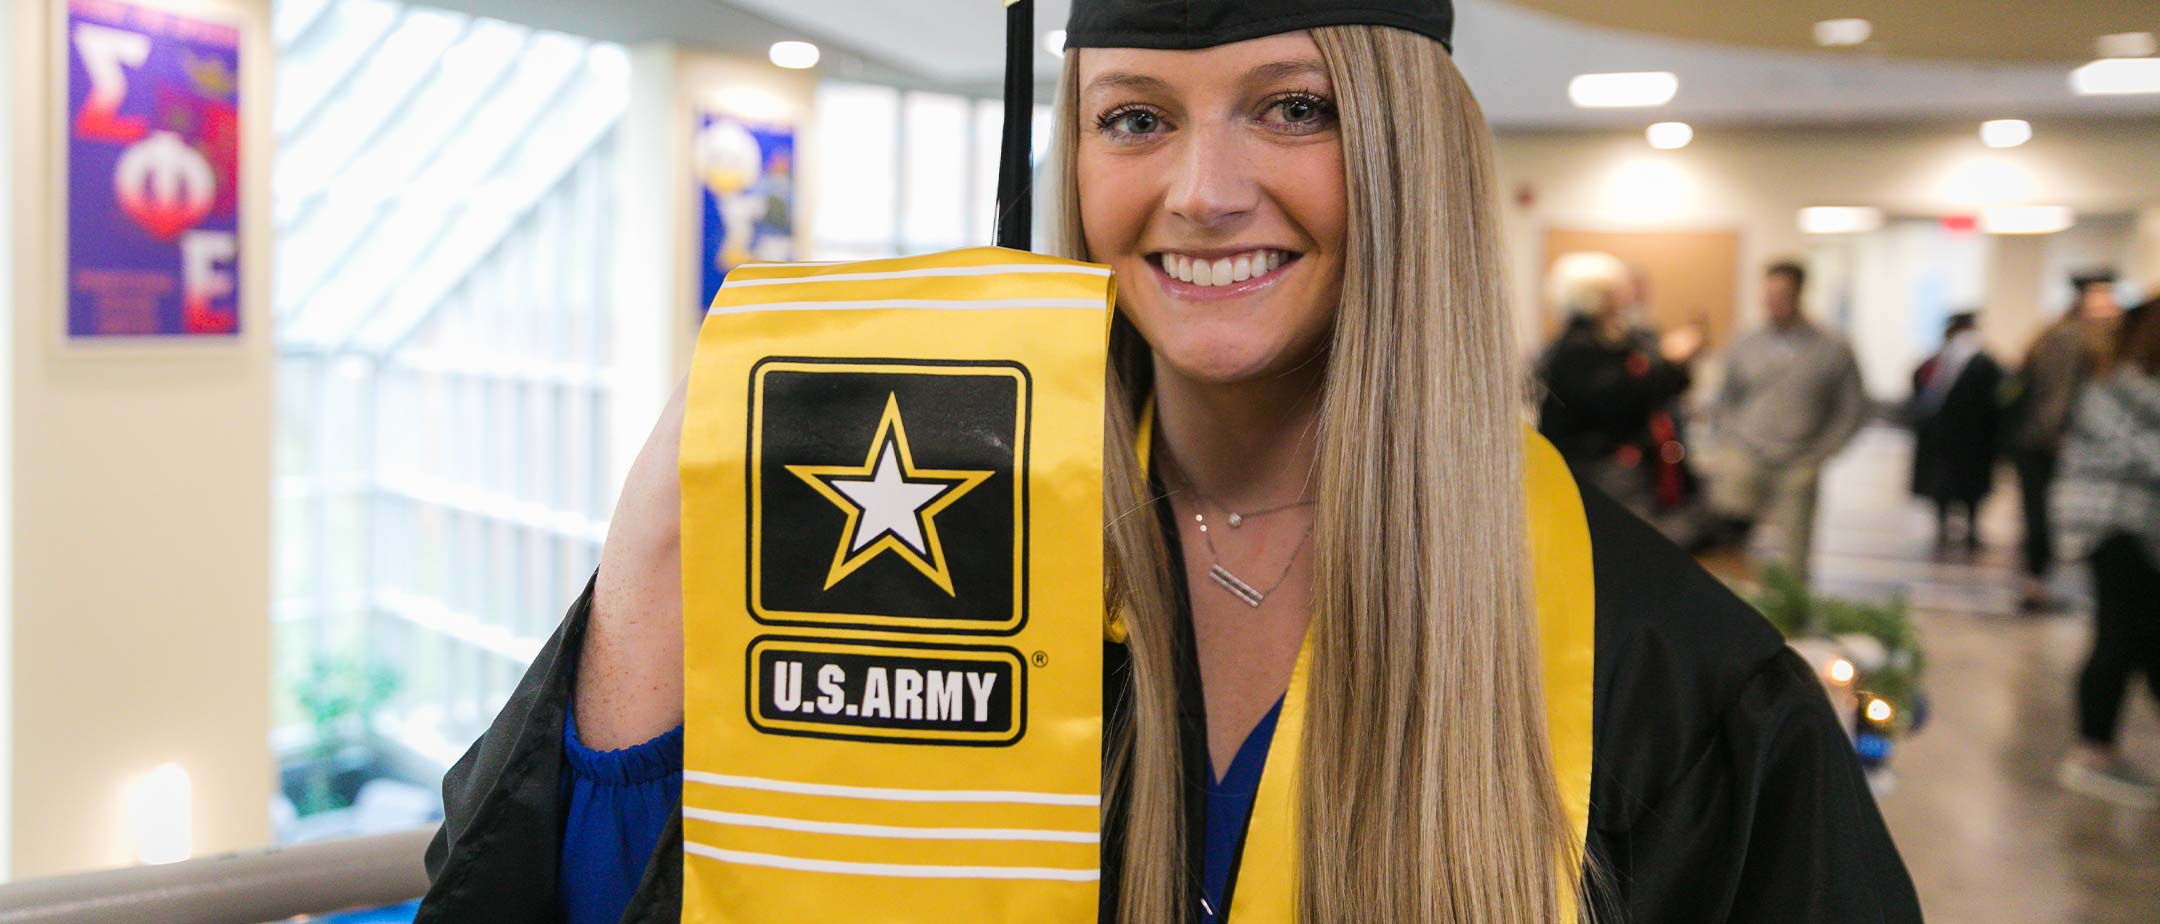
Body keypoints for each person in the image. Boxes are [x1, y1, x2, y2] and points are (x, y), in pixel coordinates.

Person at [418, 2, 1923, 921]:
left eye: (1294, 107)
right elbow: (603, 894)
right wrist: (660, 559)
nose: (1203, 192)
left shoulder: (1670, 679)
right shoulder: (937, 553)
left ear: (1409, 148)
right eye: (1134, 116)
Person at [2053, 297, 2160, 809]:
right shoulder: (2121, 390)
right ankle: (2091, 751)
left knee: (2140, 638)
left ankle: (2097, 747)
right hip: (2115, 530)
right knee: (2121, 636)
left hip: (2135, 533)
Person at [1704, 261, 1870, 580]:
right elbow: (1724, 398)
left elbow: (1853, 407)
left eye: (1782, 294)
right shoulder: (1745, 341)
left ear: (1799, 293)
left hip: (1800, 459)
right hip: (1747, 455)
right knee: (1728, 544)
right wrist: (1728, 444)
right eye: (1768, 294)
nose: (1773, 301)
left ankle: (1791, 615)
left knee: (1795, 551)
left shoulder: (1831, 346)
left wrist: (1823, 451)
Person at [1536, 252, 1706, 539]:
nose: (1626, 295)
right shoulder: (1575, 349)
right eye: (1617, 289)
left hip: (1625, 466)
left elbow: (1659, 389)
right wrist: (1668, 359)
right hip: (1596, 468)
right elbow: (1612, 400)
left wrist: (1673, 364)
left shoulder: (1621, 338)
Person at [2009, 269, 2123, 611]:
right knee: (2043, 517)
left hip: (2048, 443)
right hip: (2048, 445)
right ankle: (2036, 586)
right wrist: (2060, 441)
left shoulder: (2063, 333)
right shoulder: (2070, 337)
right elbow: (2056, 398)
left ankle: (2038, 583)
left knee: (2043, 516)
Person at [1908, 312, 2004, 554]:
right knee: (1946, 487)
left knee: (1966, 489)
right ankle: (1948, 527)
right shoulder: (1937, 362)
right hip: (1953, 439)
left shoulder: (1981, 363)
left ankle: (1967, 529)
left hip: (1969, 439)